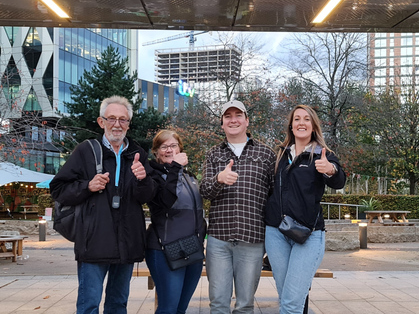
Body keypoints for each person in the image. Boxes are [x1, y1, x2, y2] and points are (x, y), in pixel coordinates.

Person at [50, 95, 157, 314]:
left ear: (128, 123)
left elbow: (146, 196)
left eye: (123, 119)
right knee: (89, 305)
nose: (117, 124)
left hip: (127, 244)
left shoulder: (138, 154)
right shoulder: (85, 151)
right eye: (111, 119)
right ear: (101, 122)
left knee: (118, 305)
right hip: (94, 243)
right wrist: (87, 186)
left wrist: (143, 178)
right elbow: (58, 189)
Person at [264, 104, 346, 314]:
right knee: (287, 298)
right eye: (297, 119)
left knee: (292, 302)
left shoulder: (322, 154)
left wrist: (330, 170)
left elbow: (339, 180)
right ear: (291, 126)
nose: (301, 123)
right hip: (276, 233)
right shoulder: (280, 156)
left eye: (306, 119)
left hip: (308, 233)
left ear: (313, 126)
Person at [200, 100, 276, 314]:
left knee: (245, 305)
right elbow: (204, 190)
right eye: (228, 116)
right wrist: (219, 179)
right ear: (222, 124)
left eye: (238, 115)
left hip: (252, 239)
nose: (233, 120)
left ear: (247, 121)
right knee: (218, 304)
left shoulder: (266, 154)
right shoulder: (214, 154)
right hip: (218, 239)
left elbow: (274, 197)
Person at [145, 129, 207, 314]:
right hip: (164, 250)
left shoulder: (190, 177)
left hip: (191, 249)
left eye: (173, 145)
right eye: (164, 146)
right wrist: (175, 169)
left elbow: (197, 212)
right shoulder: (152, 176)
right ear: (156, 151)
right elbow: (165, 201)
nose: (169, 150)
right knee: (168, 308)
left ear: (180, 148)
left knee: (181, 308)